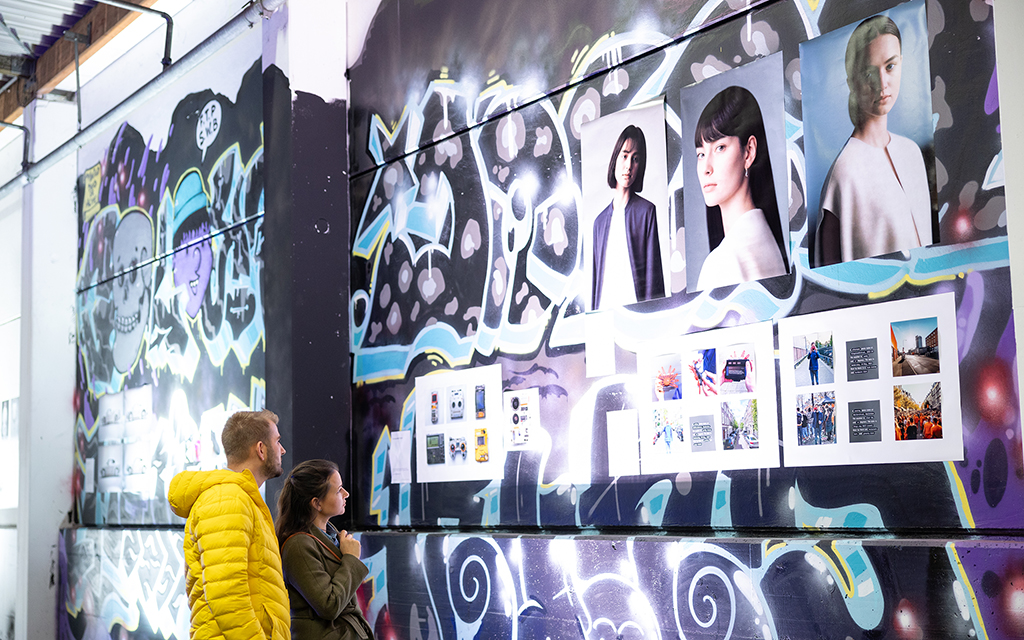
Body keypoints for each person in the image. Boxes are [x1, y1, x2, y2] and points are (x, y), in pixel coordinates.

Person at [814, 15, 932, 266]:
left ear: (902, 63)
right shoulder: (844, 173)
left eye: (890, 66)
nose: (882, 84)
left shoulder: (911, 152)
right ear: (852, 82)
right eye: (869, 72)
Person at [168, 409, 290, 640]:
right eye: (277, 441)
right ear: (261, 449)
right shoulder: (228, 499)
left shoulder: (240, 498)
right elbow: (227, 596)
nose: (282, 449)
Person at [694, 86, 787, 290]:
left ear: (749, 152)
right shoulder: (765, 240)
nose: (706, 169)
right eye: (701, 154)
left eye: (720, 148)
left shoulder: (722, 262)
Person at [277, 459, 374, 640]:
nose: (346, 494)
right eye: (338, 490)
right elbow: (329, 605)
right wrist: (351, 559)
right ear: (317, 503)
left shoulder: (331, 537)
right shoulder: (298, 546)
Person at [591, 124, 665, 309]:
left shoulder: (646, 212)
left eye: (636, 159)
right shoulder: (599, 223)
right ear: (615, 158)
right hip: (605, 315)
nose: (629, 165)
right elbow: (595, 285)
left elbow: (653, 279)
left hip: (635, 318)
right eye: (624, 156)